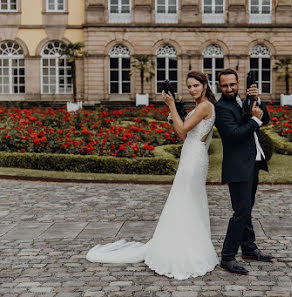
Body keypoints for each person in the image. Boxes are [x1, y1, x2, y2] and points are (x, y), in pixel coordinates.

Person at [86, 71, 219, 280]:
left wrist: (172, 106)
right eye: (190, 86)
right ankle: (183, 244)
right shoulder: (200, 106)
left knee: (186, 200)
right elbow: (183, 133)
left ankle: (187, 250)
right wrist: (175, 112)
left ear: (205, 85)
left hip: (194, 160)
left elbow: (183, 129)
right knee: (185, 200)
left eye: (196, 85)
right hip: (191, 155)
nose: (192, 89)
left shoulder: (204, 106)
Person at [214, 68, 273, 275]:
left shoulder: (244, 101)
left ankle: (248, 249)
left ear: (238, 83)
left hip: (252, 162)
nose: (229, 88)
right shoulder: (221, 108)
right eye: (225, 85)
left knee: (247, 209)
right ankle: (227, 257)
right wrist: (254, 121)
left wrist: (258, 101)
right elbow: (233, 135)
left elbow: (265, 119)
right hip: (237, 166)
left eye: (232, 84)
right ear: (219, 87)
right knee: (240, 212)